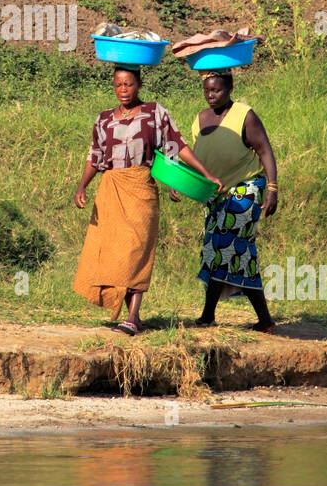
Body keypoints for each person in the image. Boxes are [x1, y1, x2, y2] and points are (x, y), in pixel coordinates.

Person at [73, 65, 224, 336]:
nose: (123, 90)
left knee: (137, 251)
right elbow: (94, 156)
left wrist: (206, 174)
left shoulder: (155, 113)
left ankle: (133, 316)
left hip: (141, 189)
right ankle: (131, 315)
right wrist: (82, 186)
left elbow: (177, 146)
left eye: (128, 85)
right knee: (115, 252)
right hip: (111, 191)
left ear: (139, 84)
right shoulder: (104, 119)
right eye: (118, 85)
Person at [189, 71, 279, 333]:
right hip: (217, 195)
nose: (210, 95)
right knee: (234, 252)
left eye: (216, 90)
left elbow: (264, 149)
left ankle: (208, 315)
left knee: (223, 245)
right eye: (207, 90)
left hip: (246, 190)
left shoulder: (244, 114)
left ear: (229, 89)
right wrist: (181, 183)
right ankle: (264, 320)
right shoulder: (201, 119)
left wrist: (272, 188)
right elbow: (198, 157)